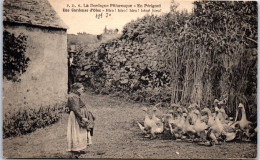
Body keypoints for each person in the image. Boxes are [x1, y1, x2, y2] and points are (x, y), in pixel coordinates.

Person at [67, 83, 88, 158]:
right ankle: (75, 151)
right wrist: (82, 117)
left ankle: (79, 148)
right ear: (76, 89)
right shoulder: (73, 96)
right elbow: (76, 109)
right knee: (76, 131)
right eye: (82, 89)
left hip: (77, 115)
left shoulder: (75, 96)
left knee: (80, 131)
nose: (83, 90)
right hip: (76, 116)